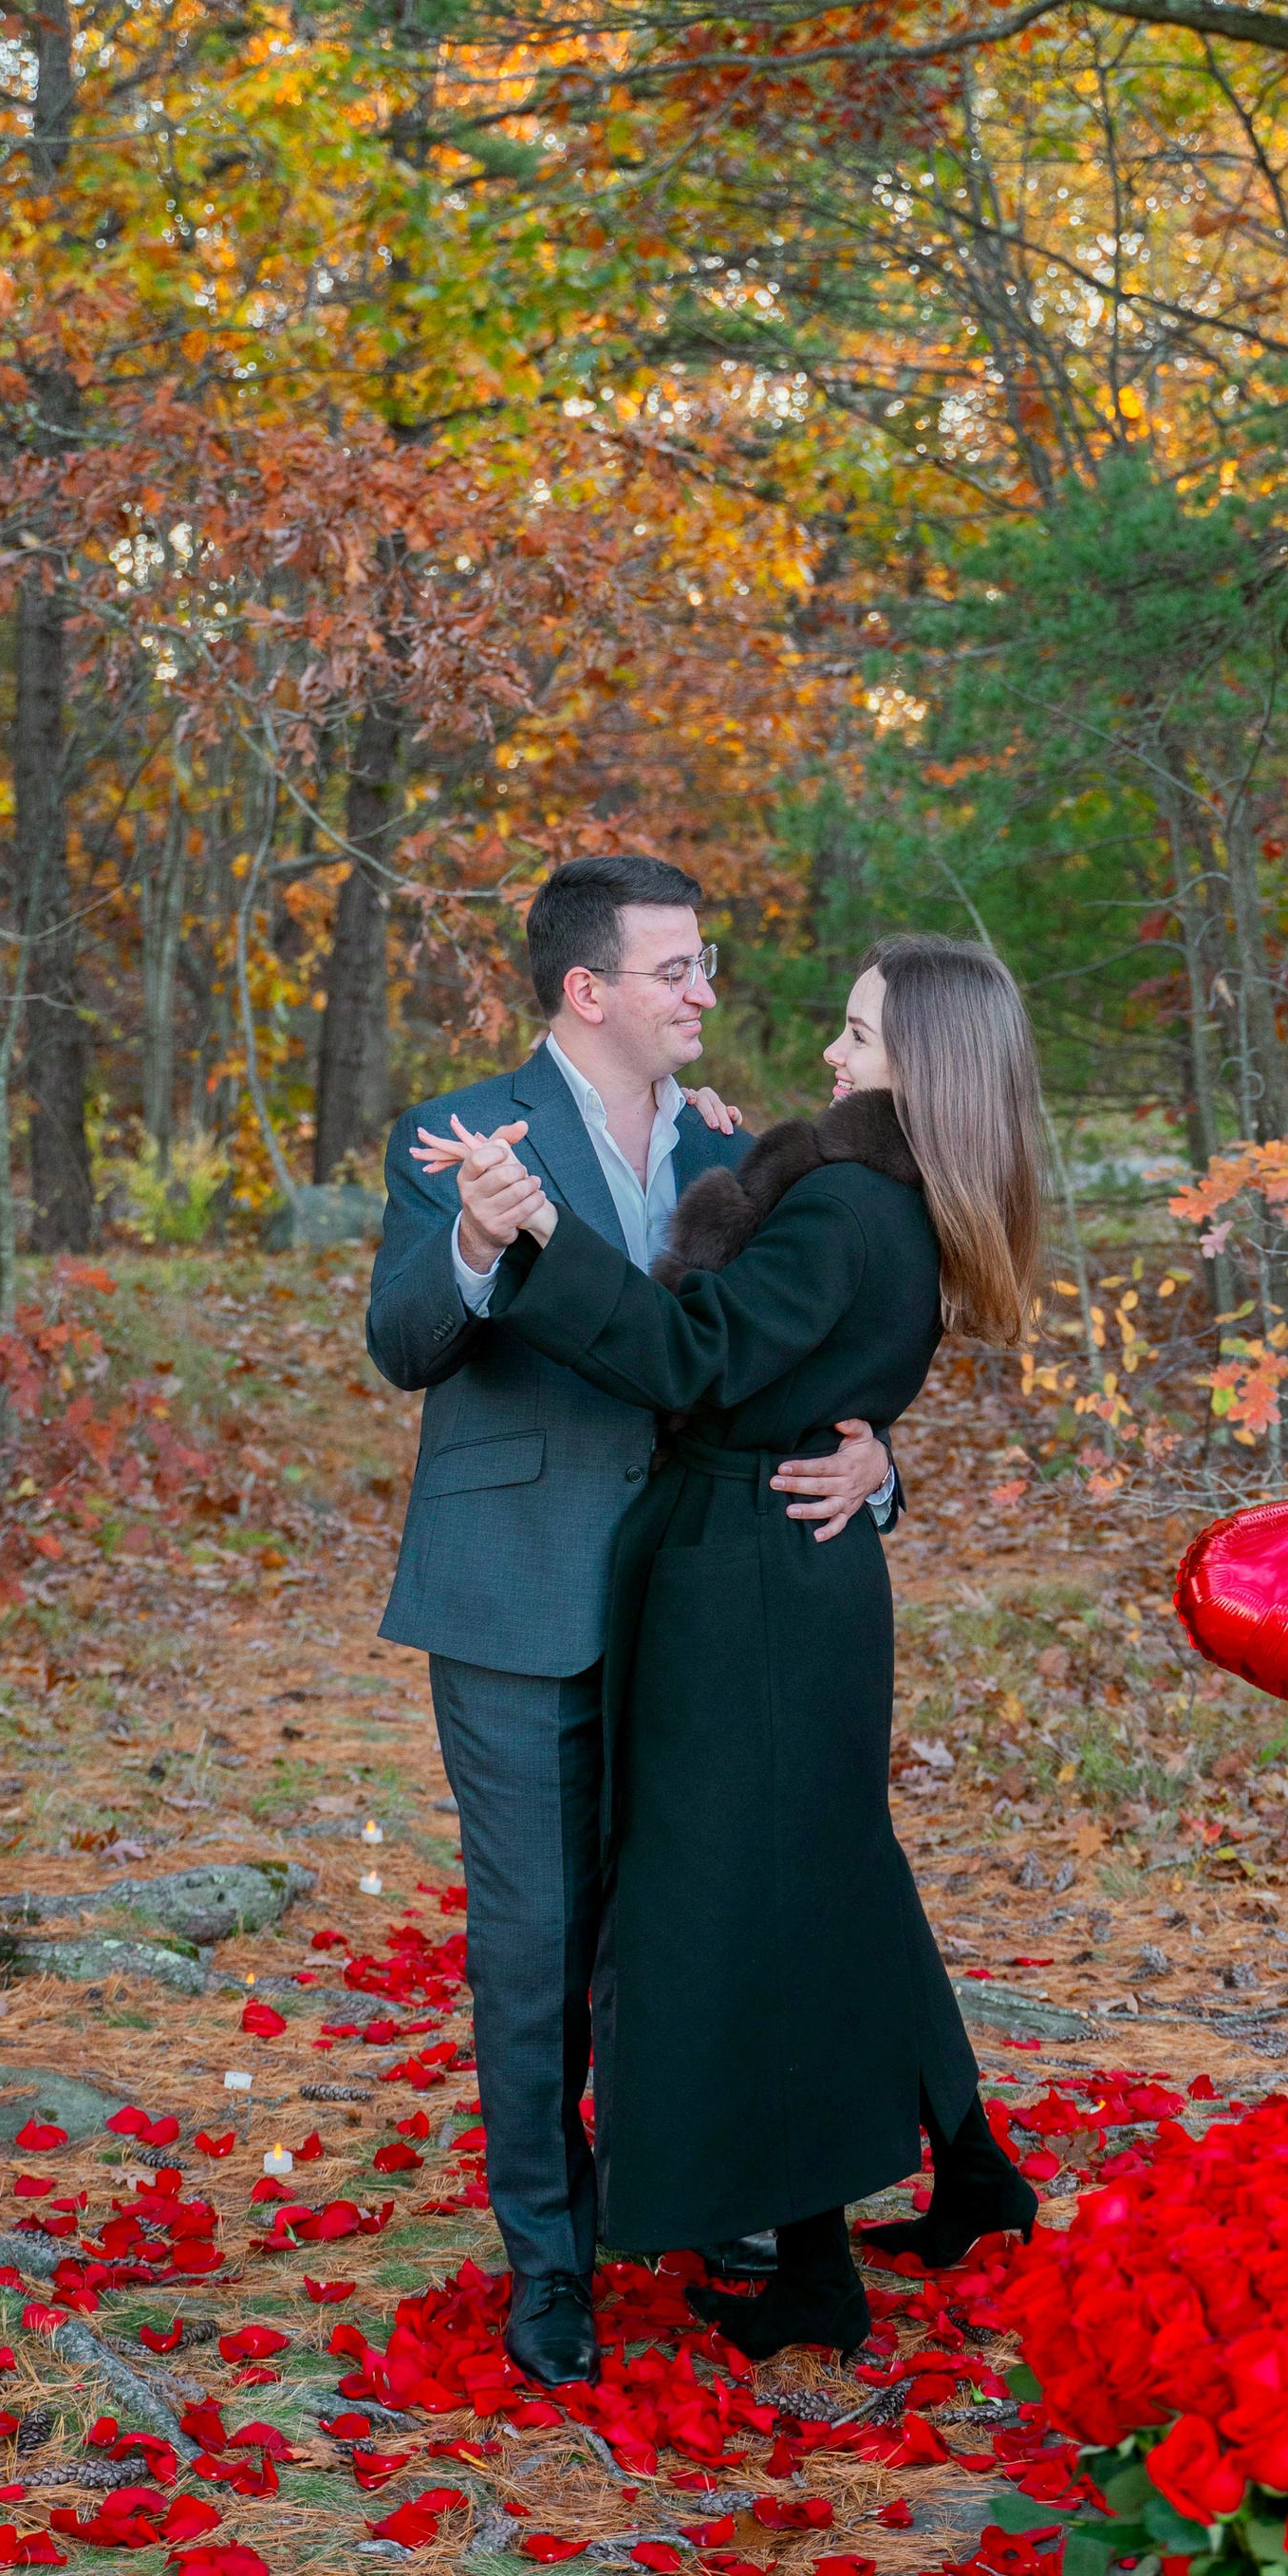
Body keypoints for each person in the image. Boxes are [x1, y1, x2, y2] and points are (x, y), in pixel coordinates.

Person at [425, 933, 1047, 2361]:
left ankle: (818, 2266)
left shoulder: (840, 1204)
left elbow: (693, 1357)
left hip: (749, 1577)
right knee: (831, 1879)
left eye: (860, 1037)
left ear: (924, 1069)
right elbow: (816, 1364)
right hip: (791, 1571)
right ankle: (971, 2169)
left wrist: (540, 1237)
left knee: (755, 1908)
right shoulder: (897, 1199)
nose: (833, 1056)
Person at [366, 854, 897, 2392]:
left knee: (694, 1920)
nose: (707, 992)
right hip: (517, 1594)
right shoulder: (461, 1136)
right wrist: (474, 1241)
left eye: (709, 963)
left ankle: (711, 2196)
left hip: (706, 1604)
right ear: (586, 988)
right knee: (538, 1947)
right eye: (679, 968)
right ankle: (551, 2260)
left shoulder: (745, 1147)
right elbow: (402, 1342)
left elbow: (805, 1342)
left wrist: (875, 1454)